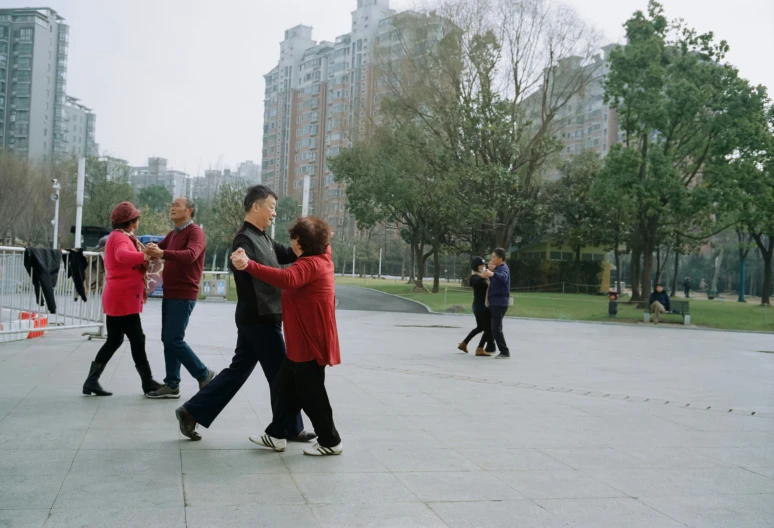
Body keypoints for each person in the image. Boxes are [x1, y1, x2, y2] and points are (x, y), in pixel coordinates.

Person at [174, 185, 314, 443]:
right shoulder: (244, 240)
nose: (274, 213)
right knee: (283, 375)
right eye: (271, 207)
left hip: (257, 319)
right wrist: (238, 259)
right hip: (259, 319)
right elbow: (240, 261)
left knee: (238, 373)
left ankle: (190, 411)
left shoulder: (264, 238)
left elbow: (288, 254)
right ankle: (290, 428)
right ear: (256, 207)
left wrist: (314, 242)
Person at [234, 216, 343, 456]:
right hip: (301, 341)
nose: (290, 242)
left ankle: (331, 441)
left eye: (294, 238)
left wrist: (248, 264)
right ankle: (276, 435)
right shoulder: (321, 257)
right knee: (286, 388)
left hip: (309, 342)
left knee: (312, 395)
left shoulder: (311, 264)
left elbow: (287, 278)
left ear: (301, 242)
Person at [82, 202, 163, 396]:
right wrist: (143, 255)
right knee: (137, 338)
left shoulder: (119, 237)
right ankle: (148, 382)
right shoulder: (120, 239)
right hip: (123, 298)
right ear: (131, 221)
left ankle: (91, 381)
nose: (138, 220)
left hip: (118, 296)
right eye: (136, 217)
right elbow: (121, 256)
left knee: (114, 340)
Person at [145, 197, 216, 399]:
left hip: (184, 293)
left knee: (173, 339)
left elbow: (191, 254)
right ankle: (172, 383)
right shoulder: (173, 233)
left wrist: (162, 252)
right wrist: (149, 249)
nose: (172, 208)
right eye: (171, 204)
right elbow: (159, 251)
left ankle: (203, 373)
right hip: (171, 292)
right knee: (168, 339)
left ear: (190, 210)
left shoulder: (196, 233)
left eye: (177, 205)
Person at [458, 256, 495, 357]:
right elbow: (477, 282)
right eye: (481, 266)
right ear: (476, 266)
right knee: (489, 329)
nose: (483, 267)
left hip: (479, 306)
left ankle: (464, 343)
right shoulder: (475, 277)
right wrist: (483, 276)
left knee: (480, 327)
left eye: (483, 265)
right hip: (480, 307)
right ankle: (480, 348)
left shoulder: (479, 275)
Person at [482, 248, 511, 359]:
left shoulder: (503, 268)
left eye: (494, 257)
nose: (492, 259)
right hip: (495, 302)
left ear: (500, 258)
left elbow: (503, 278)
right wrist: (489, 274)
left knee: (495, 328)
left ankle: (504, 351)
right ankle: (491, 346)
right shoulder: (498, 268)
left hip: (499, 302)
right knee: (493, 326)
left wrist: (492, 274)